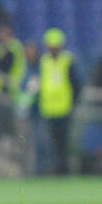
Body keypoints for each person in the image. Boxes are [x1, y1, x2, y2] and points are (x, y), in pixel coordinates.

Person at [39, 28, 81, 175]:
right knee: (53, 143)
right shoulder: (44, 61)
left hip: (64, 108)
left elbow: (76, 84)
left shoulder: (67, 61)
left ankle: (65, 170)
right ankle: (57, 169)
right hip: (49, 108)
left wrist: (73, 103)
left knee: (64, 143)